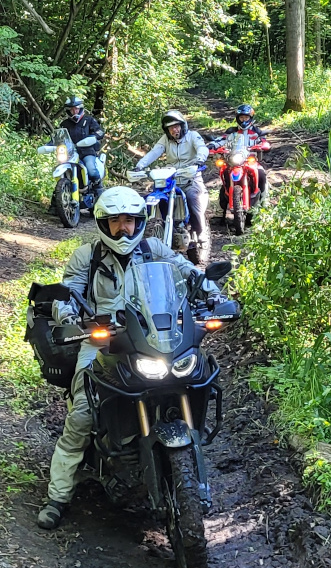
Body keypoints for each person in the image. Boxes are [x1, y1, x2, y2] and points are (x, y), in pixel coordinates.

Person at [37, 187, 223, 529]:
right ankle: (57, 496)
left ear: (141, 222)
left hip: (155, 336)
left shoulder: (156, 249)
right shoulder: (86, 256)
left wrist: (213, 294)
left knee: (195, 381)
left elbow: (189, 273)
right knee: (82, 412)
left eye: (130, 221)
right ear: (103, 224)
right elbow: (69, 292)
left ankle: (189, 477)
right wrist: (71, 317)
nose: (124, 229)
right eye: (116, 222)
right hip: (104, 340)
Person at [134, 110, 211, 265]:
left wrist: (199, 160)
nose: (174, 130)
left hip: (191, 177)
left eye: (176, 126)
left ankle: (200, 233)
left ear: (182, 126)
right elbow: (154, 152)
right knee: (154, 197)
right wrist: (140, 166)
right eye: (171, 128)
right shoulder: (165, 140)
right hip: (170, 179)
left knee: (191, 198)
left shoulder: (193, 136)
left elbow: (202, 148)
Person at [213, 104, 270, 217]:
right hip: (233, 161)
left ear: (250, 118)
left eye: (246, 117)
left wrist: (264, 145)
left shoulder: (256, 131)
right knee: (224, 177)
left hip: (251, 161)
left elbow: (264, 141)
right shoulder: (231, 131)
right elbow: (221, 140)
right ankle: (220, 212)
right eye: (241, 117)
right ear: (237, 118)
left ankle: (264, 203)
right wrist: (213, 145)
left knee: (261, 174)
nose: (244, 120)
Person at [59, 96, 106, 188]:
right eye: (72, 109)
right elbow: (59, 137)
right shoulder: (64, 124)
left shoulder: (89, 120)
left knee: (91, 169)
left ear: (80, 108)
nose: (74, 111)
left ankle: (99, 189)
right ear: (68, 111)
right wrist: (50, 144)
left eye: (76, 109)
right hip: (70, 153)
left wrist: (94, 137)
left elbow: (100, 131)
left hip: (87, 152)